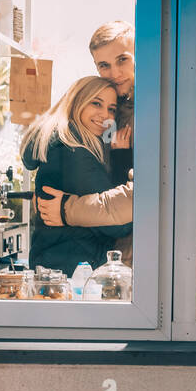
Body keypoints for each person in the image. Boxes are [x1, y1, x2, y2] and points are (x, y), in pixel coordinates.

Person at [36, 21, 136, 250]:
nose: (115, 73)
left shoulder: (154, 113)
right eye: (104, 65)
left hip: (137, 248)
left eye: (122, 59)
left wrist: (66, 209)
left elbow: (142, 195)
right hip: (109, 254)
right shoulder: (112, 115)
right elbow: (99, 175)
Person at [22, 76, 133, 275]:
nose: (105, 115)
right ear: (76, 102)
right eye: (96, 103)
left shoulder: (66, 146)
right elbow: (118, 224)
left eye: (111, 109)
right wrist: (122, 159)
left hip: (59, 265)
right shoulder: (74, 153)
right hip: (71, 272)